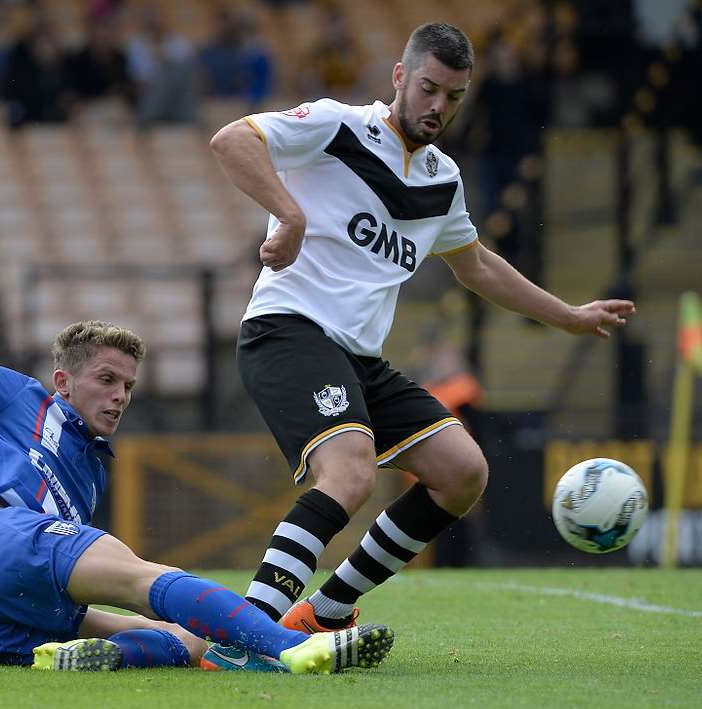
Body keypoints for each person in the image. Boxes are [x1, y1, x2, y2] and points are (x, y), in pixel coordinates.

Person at [0, 214, 394, 674]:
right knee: (148, 579)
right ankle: (289, 646)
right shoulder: (18, 399)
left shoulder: (89, 468)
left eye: (129, 386)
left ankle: (91, 659)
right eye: (106, 380)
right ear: (63, 381)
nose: (119, 396)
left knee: (179, 639)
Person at [209, 22, 636, 633]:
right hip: (289, 329)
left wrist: (566, 315)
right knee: (350, 471)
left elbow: (478, 266)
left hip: (358, 356)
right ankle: (244, 631)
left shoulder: (443, 180)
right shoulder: (339, 125)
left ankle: (323, 616)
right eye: (429, 89)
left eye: (454, 97)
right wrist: (290, 213)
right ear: (401, 77)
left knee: (463, 472)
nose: (438, 107)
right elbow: (231, 140)